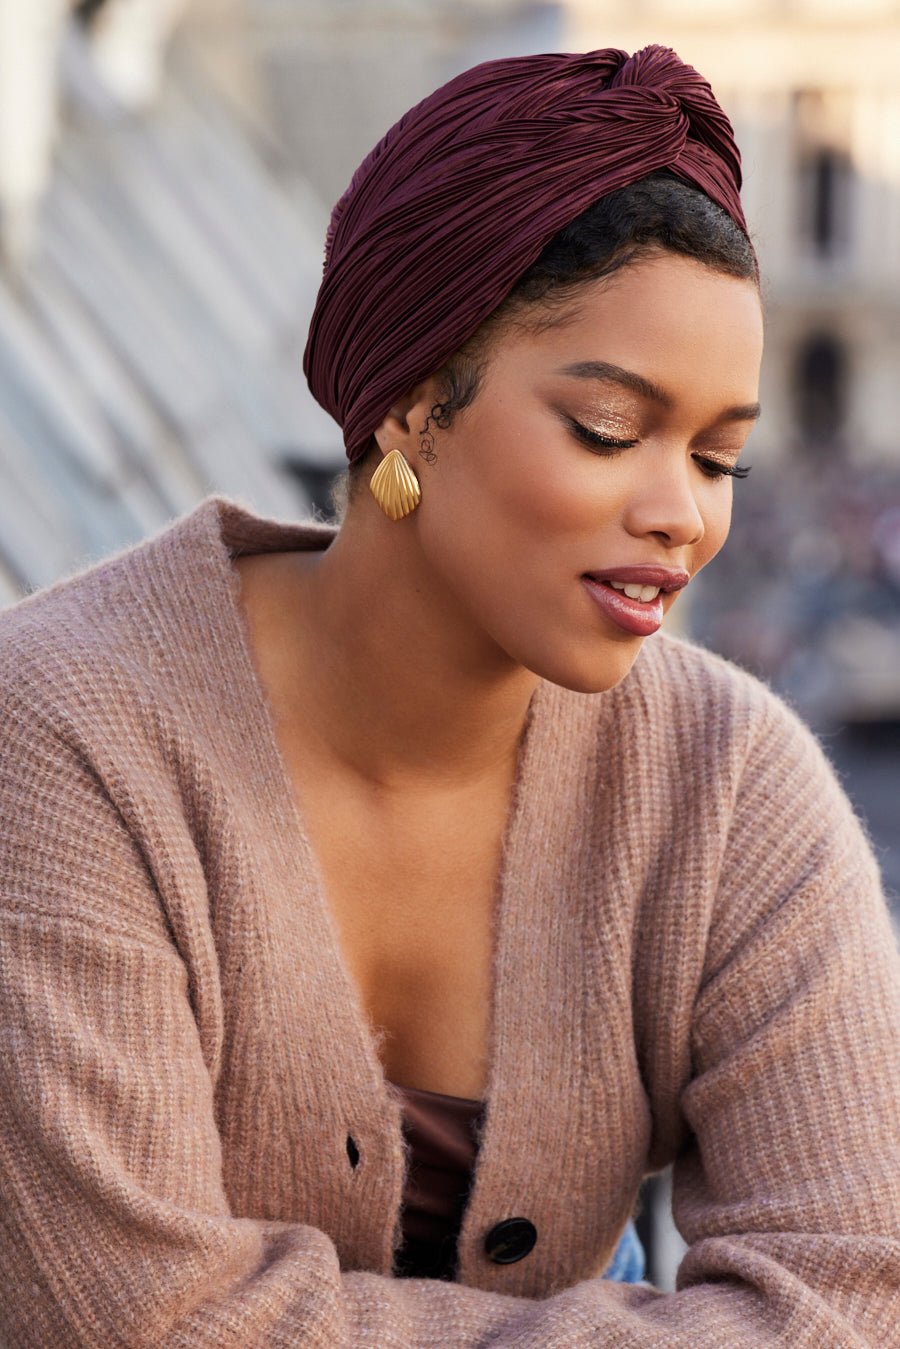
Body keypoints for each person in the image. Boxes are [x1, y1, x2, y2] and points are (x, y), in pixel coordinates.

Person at [0, 42, 898, 1348]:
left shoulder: (732, 790)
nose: (681, 518)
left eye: (720, 460)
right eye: (607, 429)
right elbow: (131, 1320)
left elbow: (852, 1295)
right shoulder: (63, 738)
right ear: (416, 407)